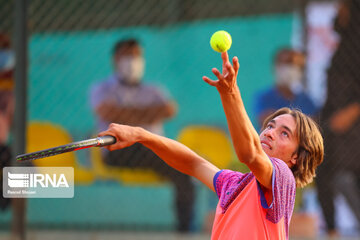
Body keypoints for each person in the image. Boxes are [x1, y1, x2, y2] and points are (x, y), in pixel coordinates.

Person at [98, 52, 324, 239]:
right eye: (270, 125)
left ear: (296, 157)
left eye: (284, 133)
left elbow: (250, 153)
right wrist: (141, 135)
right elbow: (192, 162)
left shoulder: (283, 179)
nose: (271, 132)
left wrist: (230, 93)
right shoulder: (233, 184)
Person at [90, 38, 194, 232]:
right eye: (127, 55)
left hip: (151, 149)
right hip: (117, 150)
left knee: (184, 168)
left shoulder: (153, 89)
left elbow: (170, 110)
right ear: (115, 60)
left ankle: (184, 231)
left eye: (137, 56)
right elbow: (106, 112)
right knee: (167, 155)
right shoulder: (102, 88)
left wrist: (125, 114)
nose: (133, 60)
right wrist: (149, 114)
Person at [316, 0, 360, 236]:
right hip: (333, 114)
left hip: (352, 120)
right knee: (322, 167)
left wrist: (351, 112)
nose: (337, 11)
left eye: (342, 6)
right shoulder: (345, 43)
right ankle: (331, 230)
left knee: (345, 172)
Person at [254, 48, 318, 129]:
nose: (290, 69)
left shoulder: (306, 101)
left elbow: (312, 127)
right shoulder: (263, 98)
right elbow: (266, 121)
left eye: (296, 65)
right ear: (276, 66)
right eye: (287, 63)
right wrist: (299, 121)